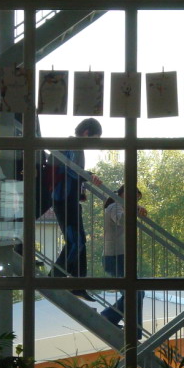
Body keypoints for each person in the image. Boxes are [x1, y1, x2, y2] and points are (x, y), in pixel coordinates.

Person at [50, 117, 103, 279]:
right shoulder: (73, 145)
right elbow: (70, 170)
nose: (94, 143)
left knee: (80, 242)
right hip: (64, 200)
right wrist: (89, 176)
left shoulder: (73, 146)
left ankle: (78, 283)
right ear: (86, 133)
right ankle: (54, 279)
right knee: (76, 242)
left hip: (67, 200)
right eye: (95, 139)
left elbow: (71, 171)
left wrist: (84, 182)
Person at [100, 185, 148, 338]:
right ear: (121, 193)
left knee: (137, 293)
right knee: (136, 292)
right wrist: (135, 209)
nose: (134, 200)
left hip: (121, 257)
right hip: (114, 258)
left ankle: (134, 331)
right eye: (132, 196)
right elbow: (122, 220)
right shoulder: (114, 206)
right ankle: (109, 316)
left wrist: (137, 209)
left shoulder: (120, 206)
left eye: (136, 198)